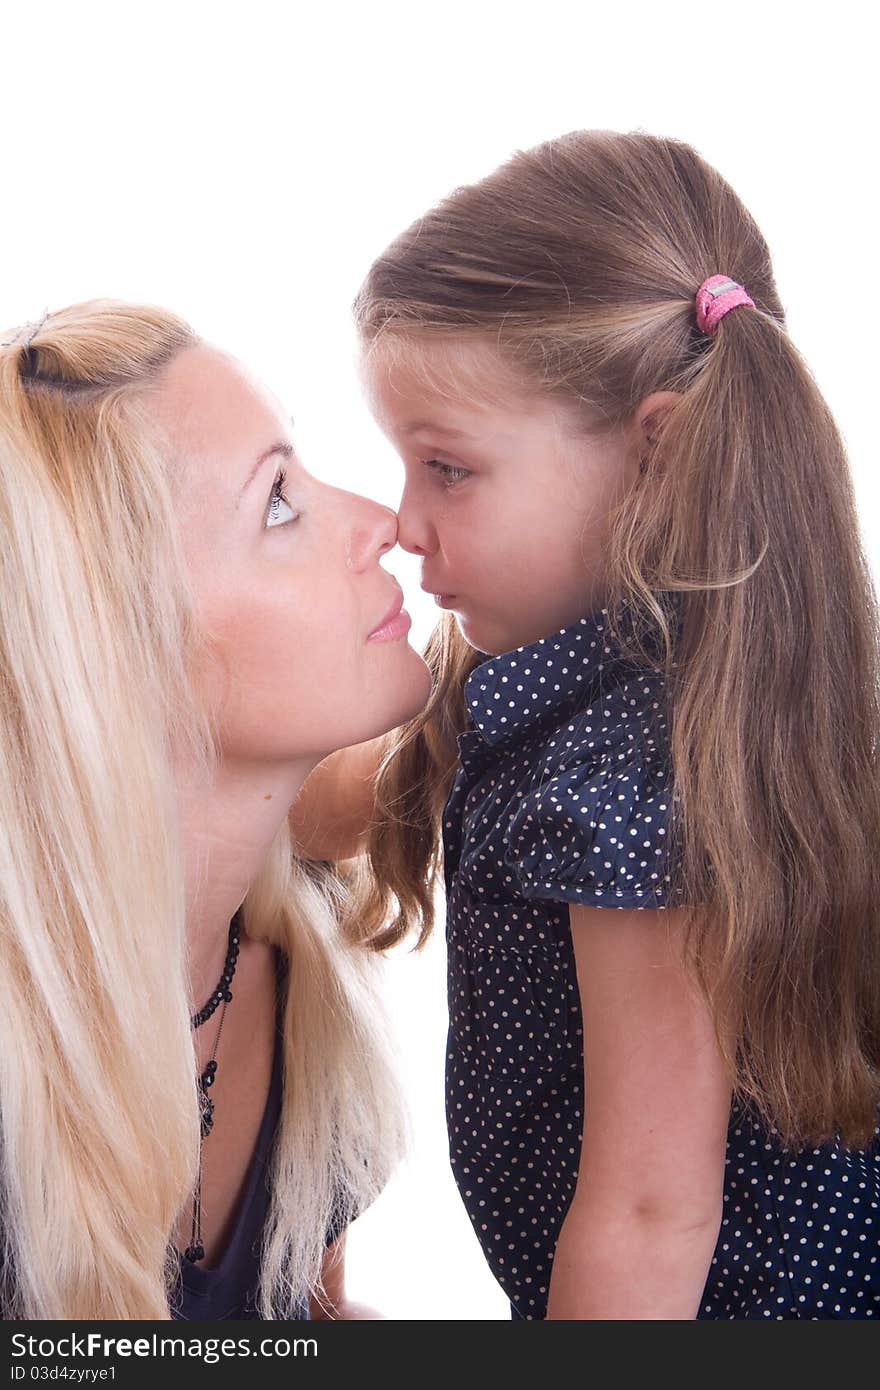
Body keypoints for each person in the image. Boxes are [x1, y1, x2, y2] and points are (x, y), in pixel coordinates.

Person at [291, 129, 880, 1318]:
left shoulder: (637, 779)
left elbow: (651, 1213)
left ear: (653, 455)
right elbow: (336, 800)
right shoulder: (555, 681)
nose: (404, 523)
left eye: (447, 469)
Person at [0, 299, 431, 1320]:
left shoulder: (293, 969)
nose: (387, 522)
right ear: (114, 654)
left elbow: (306, 1324)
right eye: (279, 502)